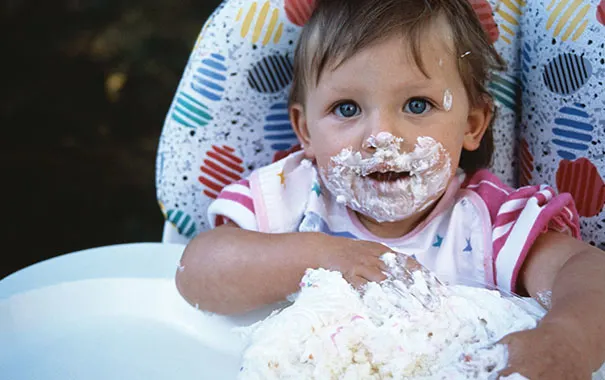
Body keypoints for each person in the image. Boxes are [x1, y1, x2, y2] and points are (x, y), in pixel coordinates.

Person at [176, 0, 605, 377]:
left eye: (417, 105)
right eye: (347, 108)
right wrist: (322, 256)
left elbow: (588, 275)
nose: (381, 136)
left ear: (472, 125)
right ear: (305, 130)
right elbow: (196, 271)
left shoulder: (488, 223)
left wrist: (567, 337)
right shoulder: (292, 197)